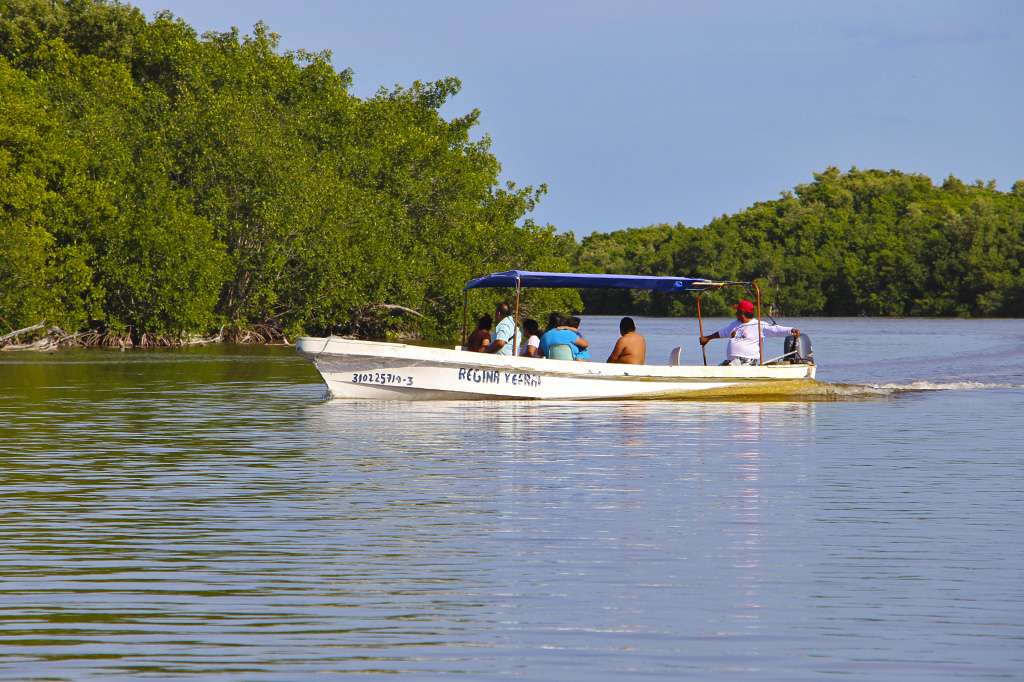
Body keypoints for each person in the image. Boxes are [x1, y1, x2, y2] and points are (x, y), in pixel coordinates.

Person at [699, 300, 800, 365]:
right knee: (718, 369)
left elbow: (776, 330)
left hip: (748, 361)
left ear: (742, 313)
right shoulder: (735, 324)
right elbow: (723, 332)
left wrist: (790, 330)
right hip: (732, 361)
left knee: (729, 367)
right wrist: (707, 338)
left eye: (737, 311)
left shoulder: (759, 325)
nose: (736, 313)